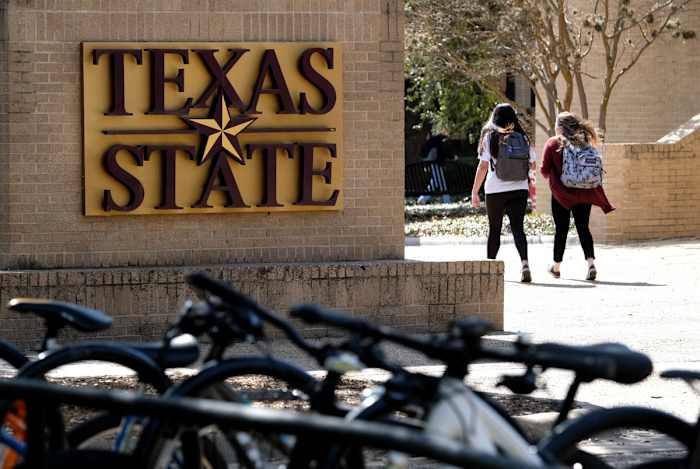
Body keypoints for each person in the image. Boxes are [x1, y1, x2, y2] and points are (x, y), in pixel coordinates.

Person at [540, 111, 615, 281]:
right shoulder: (585, 142)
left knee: (561, 229)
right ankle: (591, 264)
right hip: (584, 193)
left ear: (560, 127)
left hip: (562, 195)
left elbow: (544, 170)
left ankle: (557, 267)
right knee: (583, 227)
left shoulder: (553, 143)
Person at [471, 104, 537, 283]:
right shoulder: (524, 138)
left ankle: (489, 270)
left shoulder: (489, 137)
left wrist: (475, 191)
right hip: (519, 189)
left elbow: (483, 166)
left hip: (495, 190)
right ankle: (525, 265)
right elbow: (532, 165)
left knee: (494, 230)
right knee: (518, 228)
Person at [417, 132, 451, 204]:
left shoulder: (432, 141)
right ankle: (446, 200)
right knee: (441, 183)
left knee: (435, 182)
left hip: (433, 164)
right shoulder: (440, 141)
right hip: (437, 164)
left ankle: (422, 199)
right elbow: (443, 153)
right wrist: (452, 157)